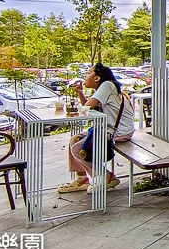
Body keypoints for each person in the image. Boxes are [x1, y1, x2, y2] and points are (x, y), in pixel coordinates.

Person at [58, 64, 135, 194]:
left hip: (119, 132)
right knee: (74, 139)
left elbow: (87, 108)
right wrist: (80, 93)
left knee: (78, 148)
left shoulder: (107, 85)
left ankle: (106, 177)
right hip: (109, 129)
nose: (85, 76)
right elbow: (89, 108)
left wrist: (77, 107)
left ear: (97, 78)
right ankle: (82, 179)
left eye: (89, 73)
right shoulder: (106, 87)